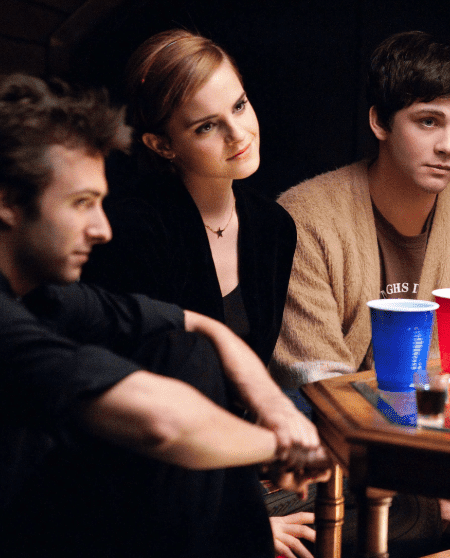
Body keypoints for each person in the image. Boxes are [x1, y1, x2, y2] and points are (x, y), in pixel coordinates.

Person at [0, 74, 327, 558]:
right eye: (82, 204)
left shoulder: (34, 289)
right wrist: (288, 448)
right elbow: (161, 424)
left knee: (180, 348)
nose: (102, 229)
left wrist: (280, 415)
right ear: (7, 202)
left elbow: (201, 325)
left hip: (29, 517)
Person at [81, 30, 311, 557]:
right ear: (162, 145)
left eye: (240, 105)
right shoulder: (130, 230)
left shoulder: (272, 226)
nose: (239, 134)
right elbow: (144, 413)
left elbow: (246, 384)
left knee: (399, 506)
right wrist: (245, 521)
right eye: (208, 126)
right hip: (141, 483)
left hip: (228, 467)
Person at [270, 29, 450, 388]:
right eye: (428, 121)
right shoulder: (304, 217)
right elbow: (313, 375)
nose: (449, 146)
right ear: (379, 122)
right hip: (330, 430)